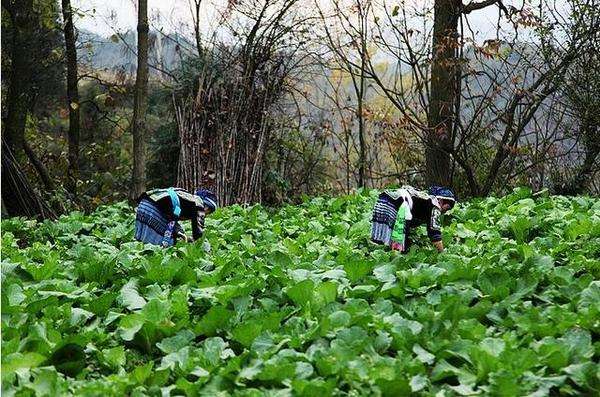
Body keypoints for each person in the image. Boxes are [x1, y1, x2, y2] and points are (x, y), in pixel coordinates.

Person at [371, 185, 456, 253]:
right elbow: (434, 234)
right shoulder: (435, 206)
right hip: (396, 204)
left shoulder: (425, 199)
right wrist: (442, 253)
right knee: (401, 248)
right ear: (441, 201)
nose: (444, 212)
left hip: (383, 200)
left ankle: (376, 254)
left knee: (381, 238)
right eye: (447, 208)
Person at [134, 187, 218, 247]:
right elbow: (199, 235)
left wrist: (181, 233)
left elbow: (172, 218)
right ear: (207, 207)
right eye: (209, 212)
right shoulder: (199, 205)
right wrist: (204, 249)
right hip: (153, 210)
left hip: (144, 205)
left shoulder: (187, 197)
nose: (206, 214)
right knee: (164, 244)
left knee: (142, 243)